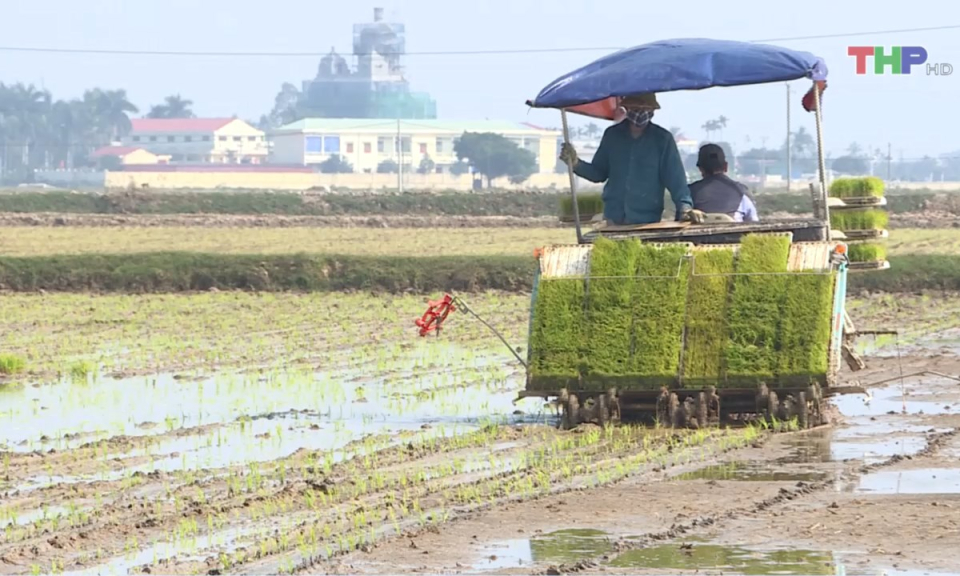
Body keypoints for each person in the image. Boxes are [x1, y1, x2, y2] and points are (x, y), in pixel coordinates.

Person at [558, 93, 704, 225]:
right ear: (626, 108)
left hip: (647, 220)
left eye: (645, 109)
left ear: (653, 111)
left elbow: (676, 180)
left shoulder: (662, 140)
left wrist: (685, 207)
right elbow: (598, 173)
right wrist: (575, 163)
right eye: (635, 108)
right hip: (614, 217)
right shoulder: (612, 136)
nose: (640, 112)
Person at [689, 144, 759, 222]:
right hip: (735, 229)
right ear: (726, 166)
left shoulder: (688, 194)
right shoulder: (741, 191)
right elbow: (754, 222)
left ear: (700, 168)